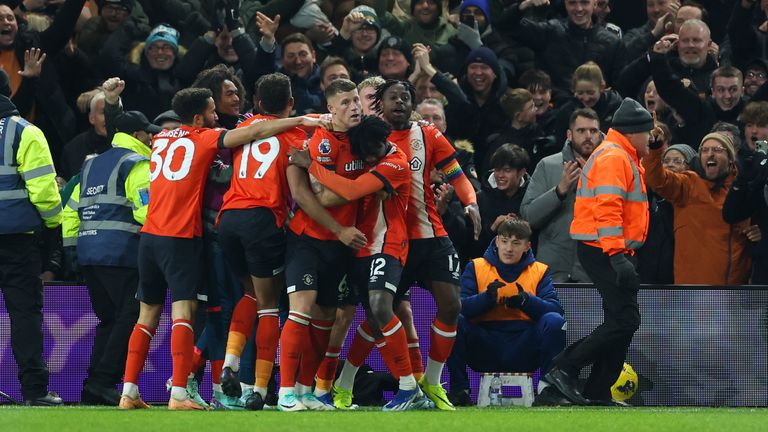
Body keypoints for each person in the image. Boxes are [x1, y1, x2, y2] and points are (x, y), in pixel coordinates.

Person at [117, 87, 324, 410]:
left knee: (146, 316)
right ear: (199, 118)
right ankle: (180, 394)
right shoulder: (204, 137)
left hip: (149, 237)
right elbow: (255, 131)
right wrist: (304, 120)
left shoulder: (159, 140)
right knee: (184, 313)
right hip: (181, 236)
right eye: (213, 112)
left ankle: (128, 391)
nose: (218, 118)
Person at [332, 80, 482, 411]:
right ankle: (345, 383)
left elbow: (456, 174)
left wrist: (470, 201)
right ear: (379, 104)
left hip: (430, 235)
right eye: (392, 97)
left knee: (451, 306)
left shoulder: (427, 135)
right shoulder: (364, 137)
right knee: (377, 316)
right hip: (388, 240)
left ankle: (431, 380)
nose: (400, 102)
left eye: (406, 97)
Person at [290, 114, 421, 411]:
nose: (366, 159)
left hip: (386, 246)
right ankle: (333, 388)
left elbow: (346, 191)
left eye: (369, 154)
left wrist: (309, 165)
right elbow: (339, 193)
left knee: (380, 308)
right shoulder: (367, 160)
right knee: (354, 319)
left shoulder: (395, 163)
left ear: (380, 144)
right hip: (357, 249)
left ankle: (409, 385)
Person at [546, 98, 652, 405]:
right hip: (605, 250)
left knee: (621, 321)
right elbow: (608, 210)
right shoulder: (614, 157)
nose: (651, 136)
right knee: (625, 320)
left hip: (610, 249)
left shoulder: (621, 154)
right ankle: (565, 367)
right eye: (647, 132)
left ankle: (597, 390)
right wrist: (617, 257)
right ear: (633, 133)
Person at [216, 73, 309, 410]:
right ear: (291, 104)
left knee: (248, 293)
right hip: (262, 218)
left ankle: (229, 363)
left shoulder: (245, 127)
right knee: (269, 304)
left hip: (227, 218)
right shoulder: (296, 134)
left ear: (257, 102)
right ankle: (257, 388)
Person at [276, 79, 367, 412]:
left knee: (327, 317)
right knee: (302, 307)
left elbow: (331, 193)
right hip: (308, 239)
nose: (354, 106)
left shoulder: (364, 140)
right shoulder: (319, 142)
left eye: (356, 100)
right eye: (345, 102)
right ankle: (285, 392)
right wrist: (342, 224)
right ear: (330, 109)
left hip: (341, 247)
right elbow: (311, 197)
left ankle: (305, 390)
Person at [62, 111, 157, 405]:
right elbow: (145, 209)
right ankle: (103, 381)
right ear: (138, 135)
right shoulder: (137, 164)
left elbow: (70, 210)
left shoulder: (90, 165)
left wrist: (71, 250)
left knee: (109, 320)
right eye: (148, 133)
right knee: (129, 318)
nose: (152, 138)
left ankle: (95, 385)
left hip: (90, 254)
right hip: (123, 253)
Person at [447, 218, 565, 405]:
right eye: (504, 241)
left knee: (555, 320)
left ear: (527, 246)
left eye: (516, 243)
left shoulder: (539, 271)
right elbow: (459, 306)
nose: (509, 248)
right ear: (496, 241)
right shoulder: (476, 267)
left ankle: (548, 390)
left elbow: (556, 309)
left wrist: (527, 301)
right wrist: (486, 299)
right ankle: (459, 389)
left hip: (524, 347)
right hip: (484, 346)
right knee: (453, 319)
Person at [0, 91, 62, 406]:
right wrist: (53, 223)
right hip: (16, 239)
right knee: (24, 314)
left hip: (17, 238)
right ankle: (34, 391)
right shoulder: (24, 131)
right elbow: (44, 191)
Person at [644, 131, 754, 285]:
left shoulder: (743, 189)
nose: (710, 154)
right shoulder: (688, 185)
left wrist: (758, 230)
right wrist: (656, 148)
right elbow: (657, 179)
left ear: (730, 159)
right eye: (705, 150)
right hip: (693, 291)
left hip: (735, 292)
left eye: (717, 150)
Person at [521, 108, 601, 283]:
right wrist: (559, 191)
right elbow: (528, 217)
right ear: (569, 135)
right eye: (581, 131)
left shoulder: (612, 168)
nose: (588, 136)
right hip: (553, 273)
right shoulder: (547, 165)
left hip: (594, 275)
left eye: (593, 131)